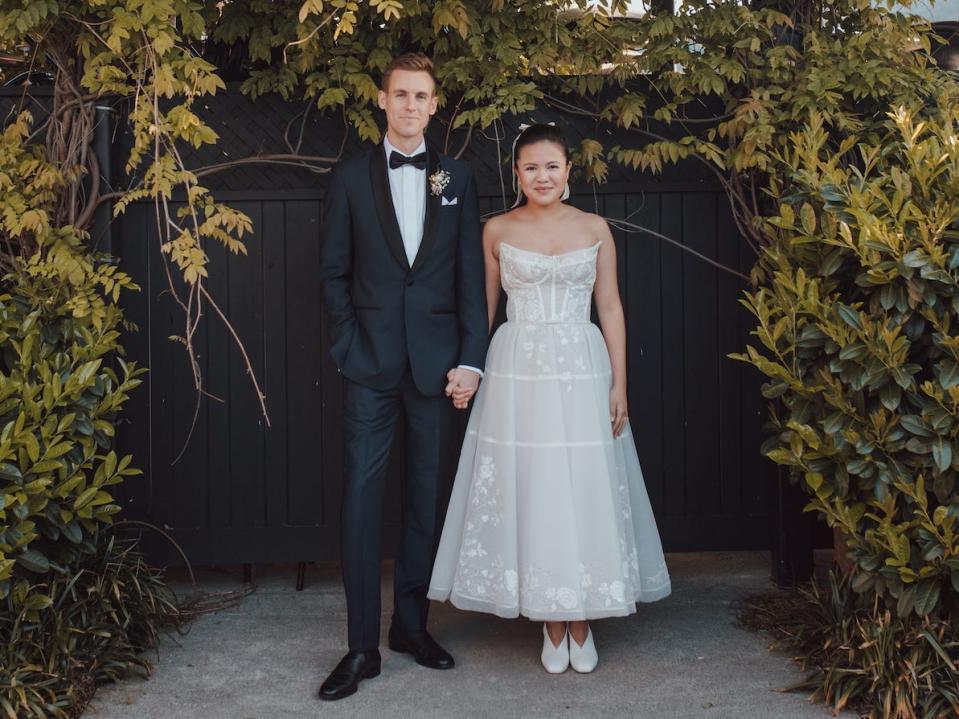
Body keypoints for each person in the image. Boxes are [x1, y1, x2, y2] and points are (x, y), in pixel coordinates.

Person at [427, 123, 671, 674]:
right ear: (517, 174)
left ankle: (581, 616)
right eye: (531, 167)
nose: (542, 176)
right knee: (536, 484)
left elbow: (609, 307)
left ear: (568, 172)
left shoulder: (595, 228)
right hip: (517, 370)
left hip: (583, 366)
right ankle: (550, 618)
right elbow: (482, 312)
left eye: (552, 166)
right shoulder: (495, 229)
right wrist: (471, 370)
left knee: (581, 482)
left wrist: (619, 383)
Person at [318, 52, 487, 700]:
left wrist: (470, 359)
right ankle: (361, 646)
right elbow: (332, 273)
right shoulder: (352, 177)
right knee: (361, 501)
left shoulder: (457, 177)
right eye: (401, 94)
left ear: (434, 104)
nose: (411, 105)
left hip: (437, 366)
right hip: (370, 364)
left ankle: (409, 625)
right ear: (382, 101)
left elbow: (469, 277)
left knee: (424, 500)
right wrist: (347, 348)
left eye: (422, 95)